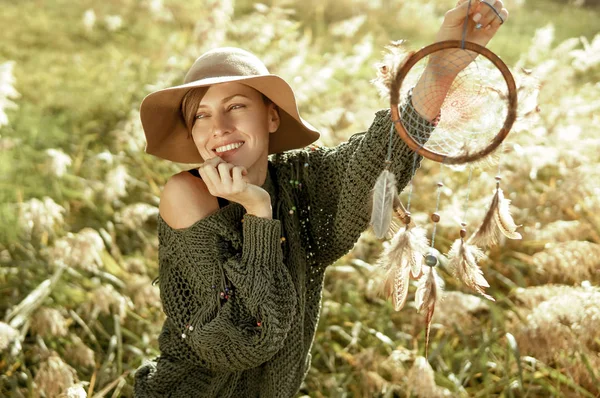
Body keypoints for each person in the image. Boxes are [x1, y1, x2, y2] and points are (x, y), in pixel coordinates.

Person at [134, 1, 508, 396]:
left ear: (272, 117)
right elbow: (239, 342)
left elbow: (376, 159)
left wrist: (441, 69)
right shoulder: (187, 194)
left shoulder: (301, 184)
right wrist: (258, 212)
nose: (219, 128)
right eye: (201, 116)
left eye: (236, 107)